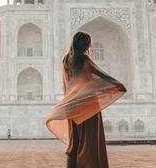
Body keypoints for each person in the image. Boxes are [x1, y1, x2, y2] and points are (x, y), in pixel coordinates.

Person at [46, 31, 127, 168]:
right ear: (85, 44)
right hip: (88, 105)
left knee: (75, 141)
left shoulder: (65, 60)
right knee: (89, 142)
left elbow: (66, 85)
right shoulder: (84, 59)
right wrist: (117, 84)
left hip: (72, 105)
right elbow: (101, 75)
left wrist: (68, 103)